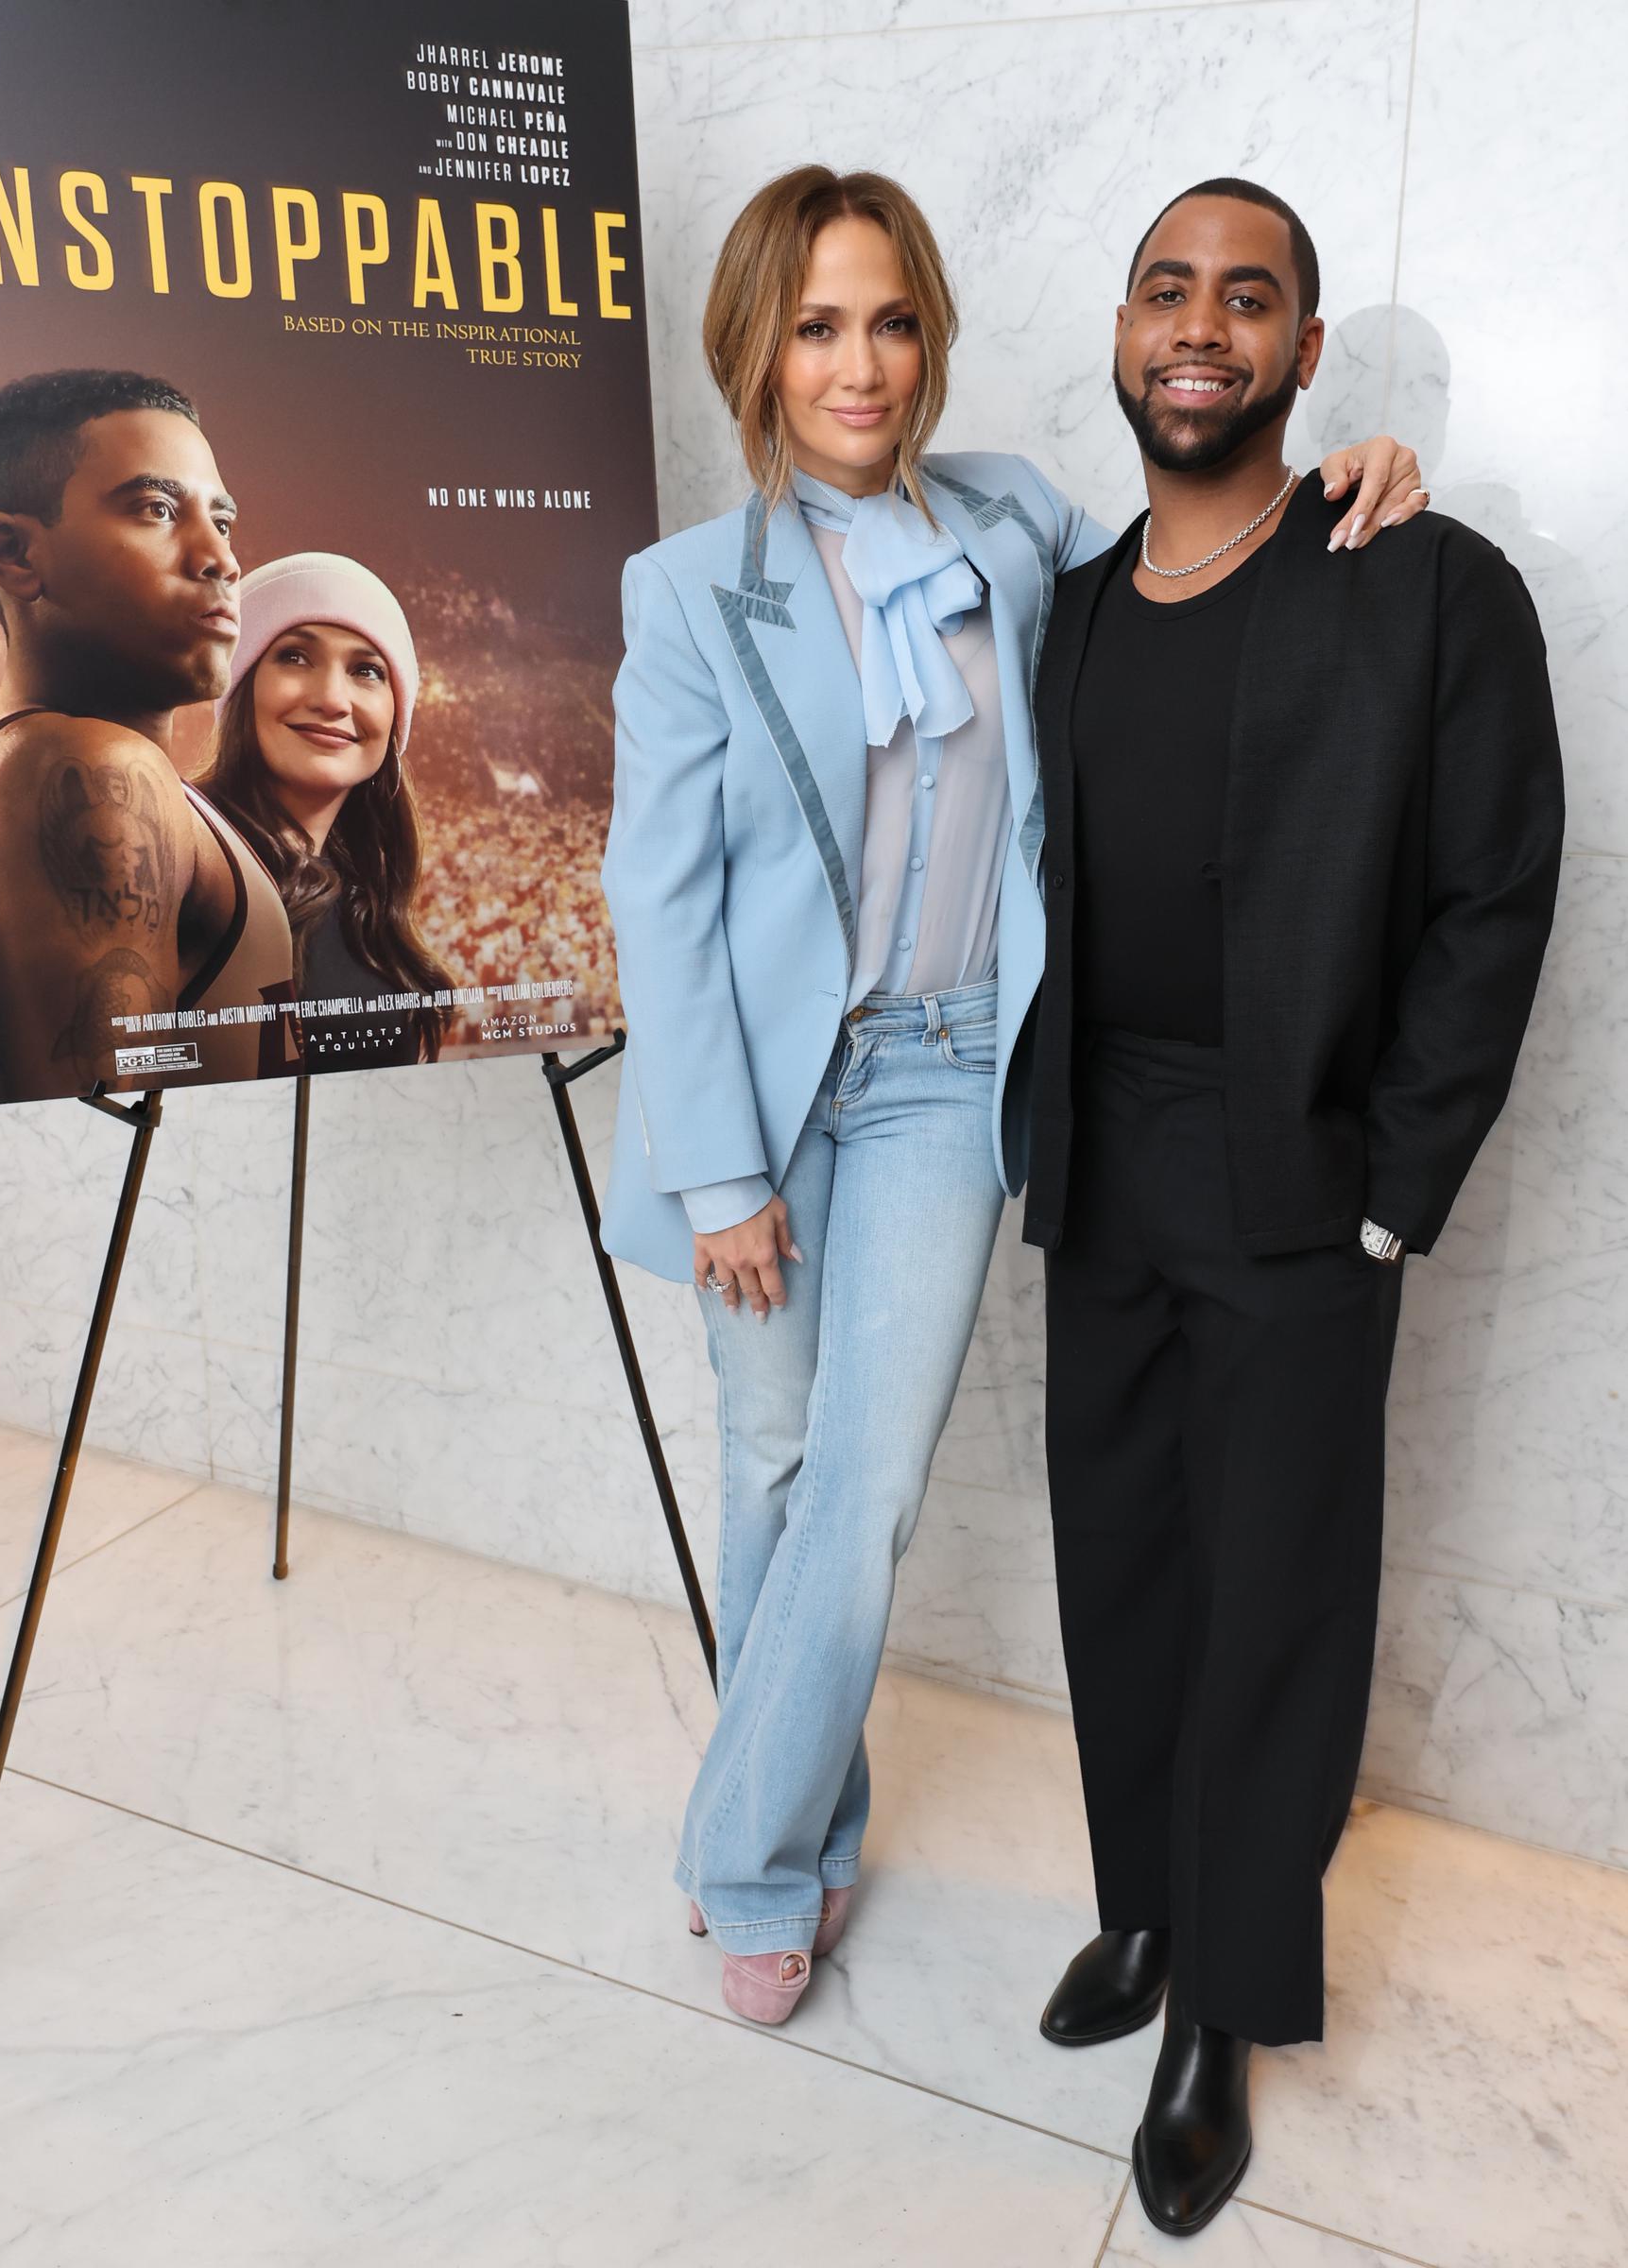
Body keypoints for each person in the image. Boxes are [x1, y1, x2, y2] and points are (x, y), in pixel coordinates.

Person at [599, 163, 1428, 2029]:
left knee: (862, 1484)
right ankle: (805, 1842)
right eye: (817, 326)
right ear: (757, 348)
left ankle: (733, 1851)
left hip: (942, 1075)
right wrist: (724, 1173)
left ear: (933, 336)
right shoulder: (685, 596)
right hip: (753, 1096)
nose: (862, 363)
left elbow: (1212, 535)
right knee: (771, 1468)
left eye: (892, 319)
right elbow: (655, 900)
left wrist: (1368, 479)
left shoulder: (1010, 525)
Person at [1025, 178, 1563, 2236]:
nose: (1200, 326)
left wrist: (1392, 1196)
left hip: (1299, 1183)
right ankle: (1149, 1915)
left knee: (1273, 1609)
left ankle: (1221, 2016)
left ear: (1304, 355)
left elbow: (1493, 896)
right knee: (1128, 1578)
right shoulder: (1071, 600)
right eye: (1167, 287)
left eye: (1248, 300)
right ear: (1122, 328)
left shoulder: (1418, 582)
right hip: (1099, 1161)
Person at [0, 369, 294, 1103]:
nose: (221, 561)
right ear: (14, 554)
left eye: (222, 523)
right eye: (157, 509)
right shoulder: (94, 769)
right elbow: (105, 1141)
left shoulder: (55, 764)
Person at [197, 553, 454, 1073]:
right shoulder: (182, 855)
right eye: (294, 657)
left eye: (367, 671)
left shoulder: (368, 906)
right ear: (240, 685)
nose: (334, 699)